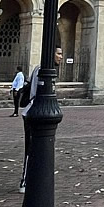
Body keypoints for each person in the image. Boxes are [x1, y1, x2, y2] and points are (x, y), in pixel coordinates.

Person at [19, 46, 64, 193]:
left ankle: (36, 179)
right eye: (58, 53)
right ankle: (25, 181)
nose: (61, 57)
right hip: (34, 112)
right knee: (31, 148)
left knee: (41, 148)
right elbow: (35, 93)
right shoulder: (41, 70)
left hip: (40, 112)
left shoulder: (47, 70)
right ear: (50, 55)